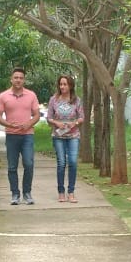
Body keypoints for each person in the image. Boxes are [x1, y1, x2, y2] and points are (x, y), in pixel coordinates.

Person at [0, 67, 40, 205]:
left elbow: (37, 114)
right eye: (16, 77)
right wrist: (8, 125)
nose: (18, 80)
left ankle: (27, 193)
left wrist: (29, 123)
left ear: (24, 80)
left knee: (29, 163)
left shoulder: (31, 95)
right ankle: (15, 194)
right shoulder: (3, 96)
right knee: (12, 167)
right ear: (11, 79)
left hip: (27, 135)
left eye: (21, 78)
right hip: (11, 136)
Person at [46, 74, 84, 203]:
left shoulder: (76, 100)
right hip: (58, 136)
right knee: (61, 163)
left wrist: (75, 123)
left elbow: (81, 117)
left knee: (73, 162)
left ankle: (71, 192)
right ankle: (61, 192)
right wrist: (56, 123)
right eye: (61, 84)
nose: (62, 86)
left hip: (73, 135)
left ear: (71, 85)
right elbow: (49, 118)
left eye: (65, 84)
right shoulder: (54, 100)